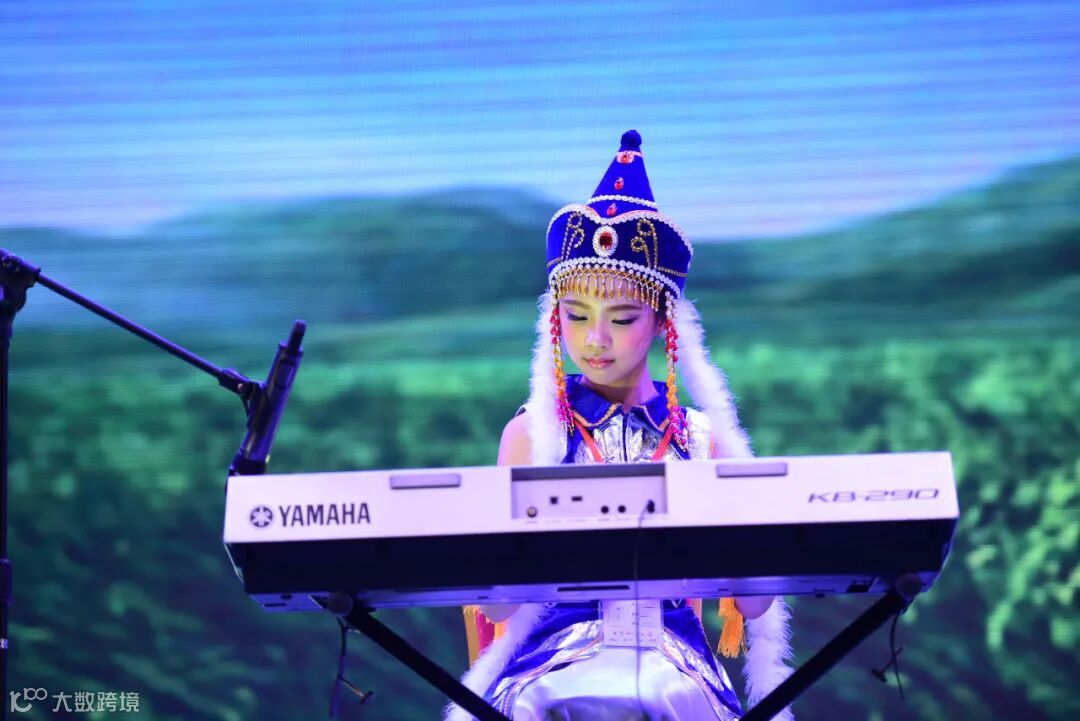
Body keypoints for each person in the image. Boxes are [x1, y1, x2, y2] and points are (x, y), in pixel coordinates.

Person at [445, 130, 793, 721]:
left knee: (669, 699)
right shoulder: (534, 434)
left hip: (676, 667)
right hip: (554, 665)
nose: (595, 339)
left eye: (622, 318)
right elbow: (500, 608)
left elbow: (755, 604)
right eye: (576, 316)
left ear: (663, 323)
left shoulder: (700, 440)